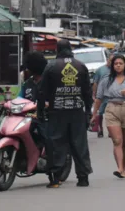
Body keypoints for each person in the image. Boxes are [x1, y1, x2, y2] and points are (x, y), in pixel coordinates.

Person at [38, 40, 93, 188]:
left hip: (57, 111)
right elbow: (87, 92)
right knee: (79, 144)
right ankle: (83, 178)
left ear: (57, 49)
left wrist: (40, 111)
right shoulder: (81, 66)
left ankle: (55, 179)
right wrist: (88, 111)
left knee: (56, 143)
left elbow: (42, 91)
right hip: (77, 111)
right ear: (70, 49)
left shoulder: (51, 66)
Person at [92, 55, 125, 178]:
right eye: (116, 64)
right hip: (111, 109)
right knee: (117, 141)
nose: (118, 65)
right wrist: (94, 114)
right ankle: (120, 168)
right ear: (112, 66)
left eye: (121, 63)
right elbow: (99, 98)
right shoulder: (106, 80)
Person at [19, 51, 48, 147]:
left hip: (44, 118)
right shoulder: (27, 84)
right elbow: (19, 99)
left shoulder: (48, 81)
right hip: (28, 118)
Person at [93, 53, 115, 138]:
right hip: (102, 97)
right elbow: (95, 83)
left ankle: (111, 131)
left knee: (111, 115)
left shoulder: (116, 70)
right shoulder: (100, 70)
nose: (112, 63)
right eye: (111, 60)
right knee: (100, 114)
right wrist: (94, 94)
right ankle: (100, 129)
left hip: (112, 96)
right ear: (107, 60)